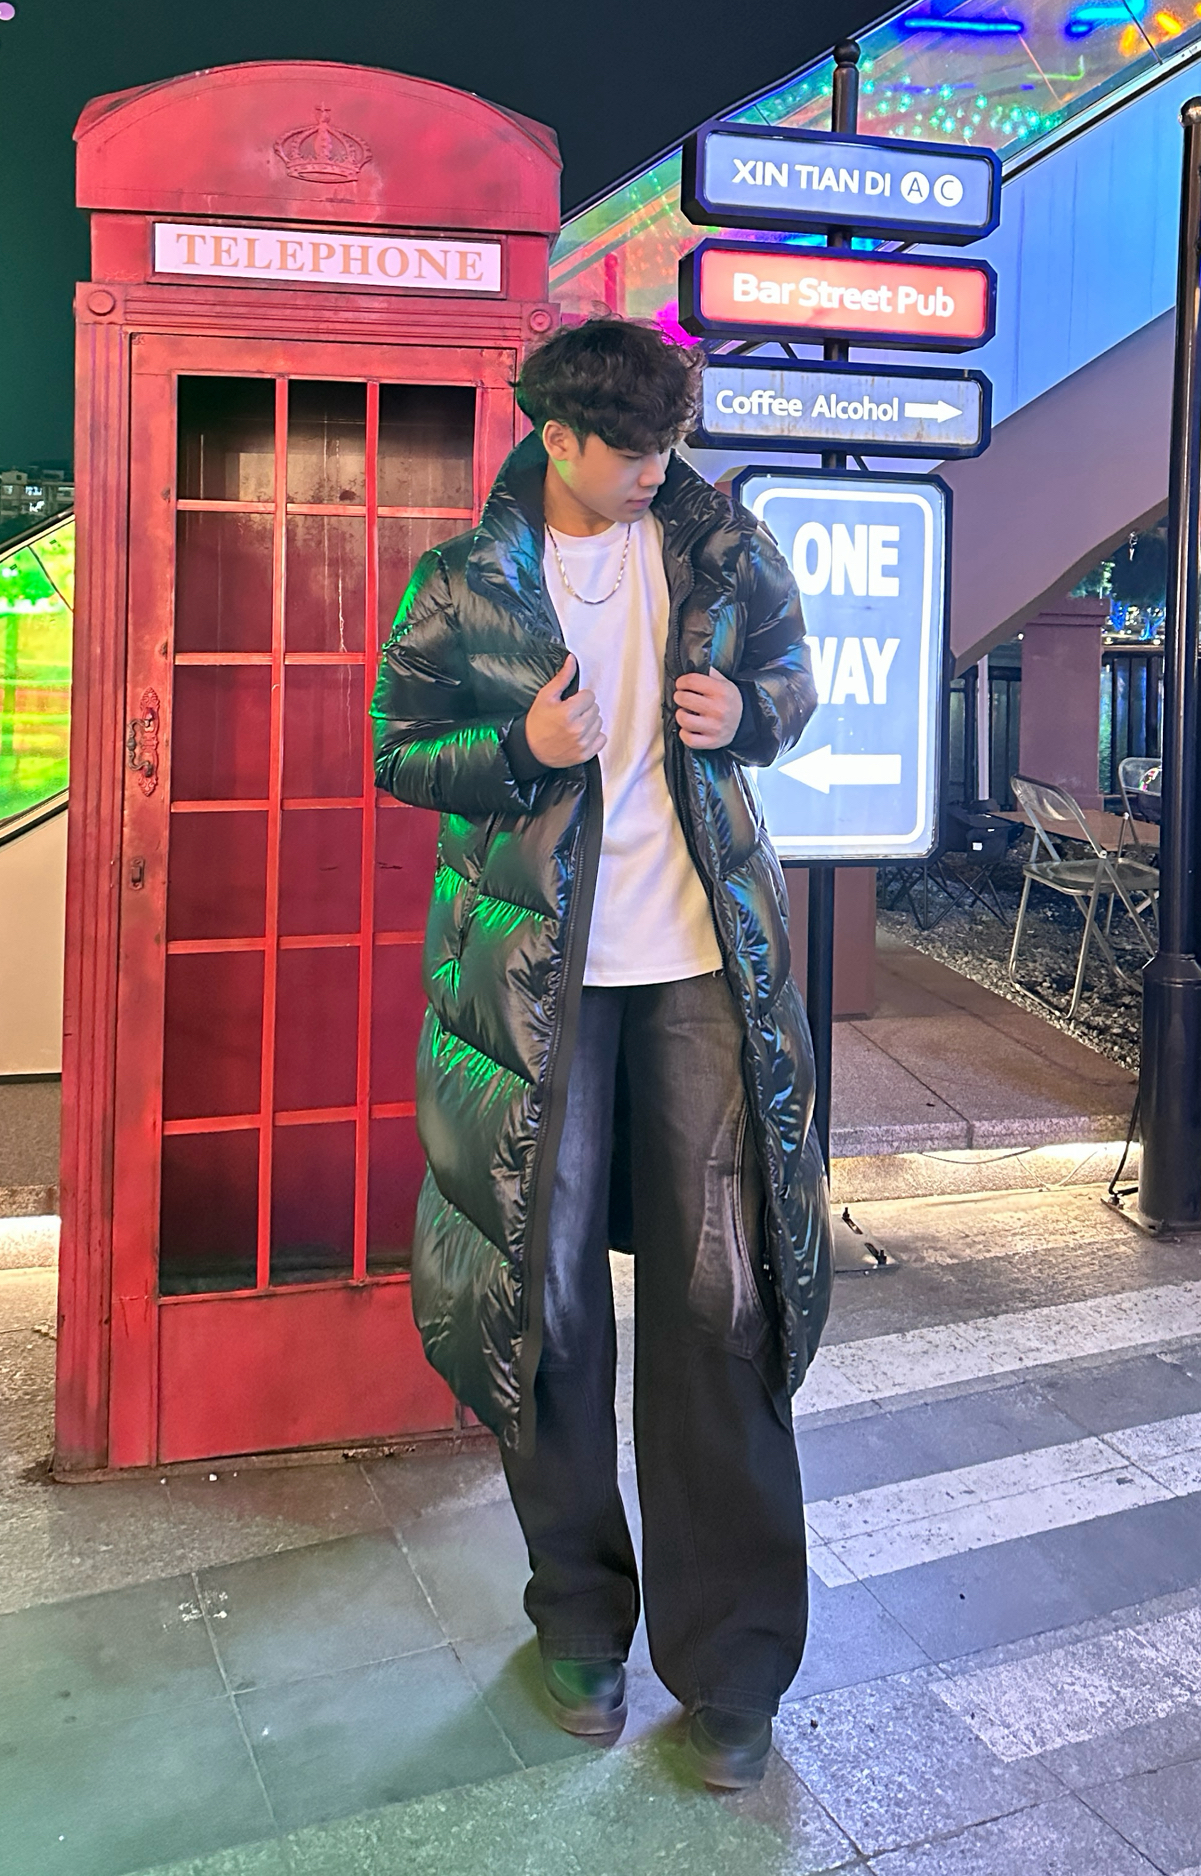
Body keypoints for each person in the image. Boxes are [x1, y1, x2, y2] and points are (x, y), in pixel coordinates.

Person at [372, 315, 829, 1790]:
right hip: (537, 988)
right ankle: (577, 1614)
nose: (654, 470)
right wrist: (524, 753)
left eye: (668, 443)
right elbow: (396, 749)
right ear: (556, 436)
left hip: (701, 967)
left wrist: (752, 711)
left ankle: (736, 1661)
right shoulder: (467, 583)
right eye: (629, 449)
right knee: (549, 1305)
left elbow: (797, 679)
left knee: (720, 1306)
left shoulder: (723, 549)